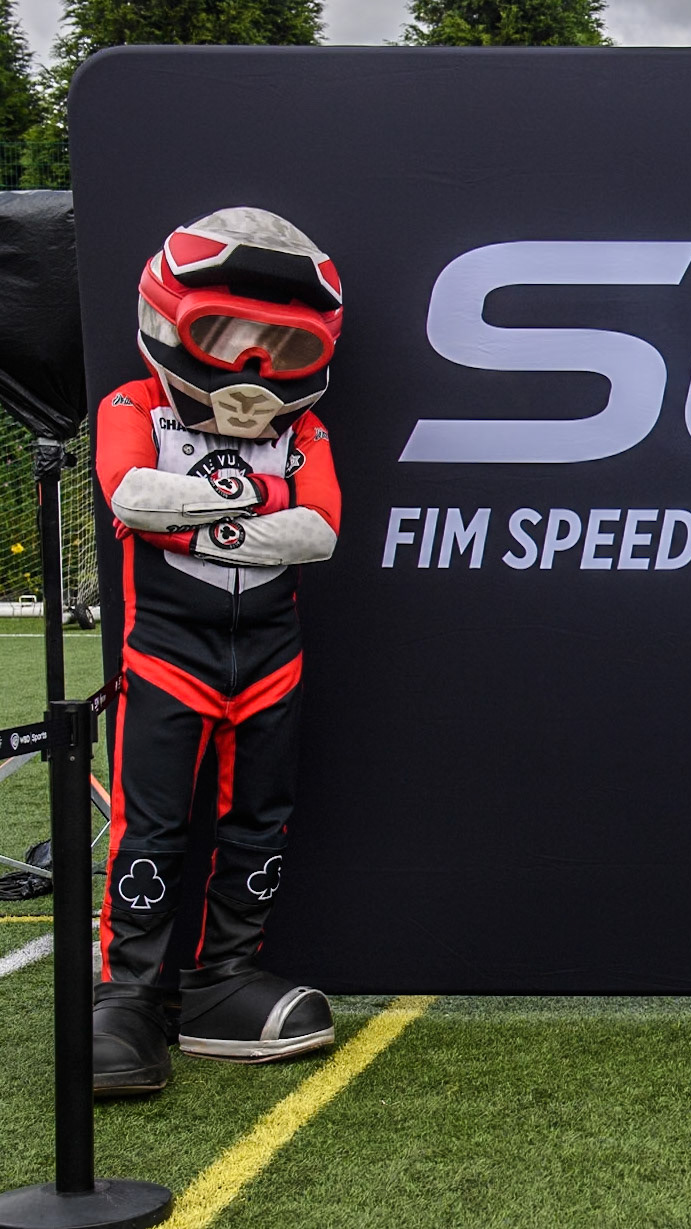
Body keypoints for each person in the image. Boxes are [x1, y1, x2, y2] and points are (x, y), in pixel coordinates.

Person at [90, 206, 343, 1095]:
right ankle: (128, 995)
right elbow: (134, 497)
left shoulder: (301, 431)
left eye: (281, 345)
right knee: (150, 825)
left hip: (271, 656)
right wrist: (256, 505)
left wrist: (200, 517)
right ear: (172, 320)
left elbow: (317, 532)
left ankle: (220, 978)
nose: (251, 366)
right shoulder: (133, 404)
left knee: (258, 824)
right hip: (165, 652)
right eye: (227, 333)